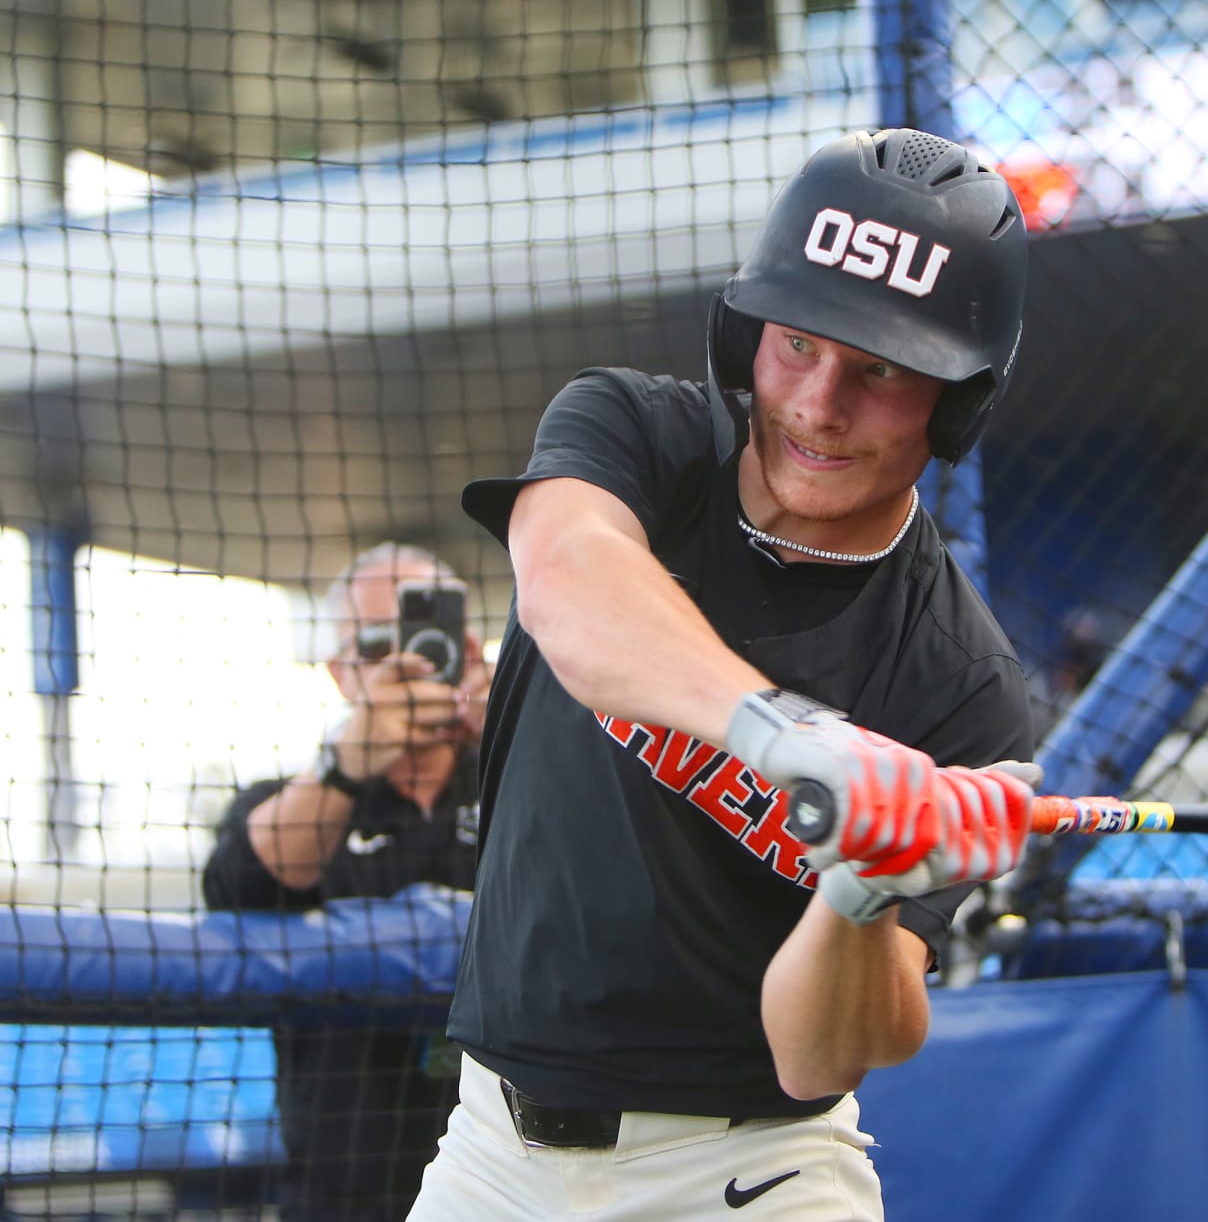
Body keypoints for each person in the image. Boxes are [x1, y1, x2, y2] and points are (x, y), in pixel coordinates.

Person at [407, 127, 1037, 1221]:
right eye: (797, 345)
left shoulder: (961, 684)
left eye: (881, 369)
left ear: (959, 403)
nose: (819, 403)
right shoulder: (635, 435)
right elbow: (570, 581)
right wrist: (792, 740)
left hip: (752, 1178)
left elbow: (821, 1058)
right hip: (489, 1157)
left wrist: (862, 884)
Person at [202, 542, 492, 1221]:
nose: (404, 665)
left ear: (469, 650)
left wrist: (521, 728)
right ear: (339, 672)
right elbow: (240, 884)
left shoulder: (524, 780)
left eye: (427, 641)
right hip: (347, 1189)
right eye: (373, 649)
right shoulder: (286, 800)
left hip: (510, 1181)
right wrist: (345, 764)